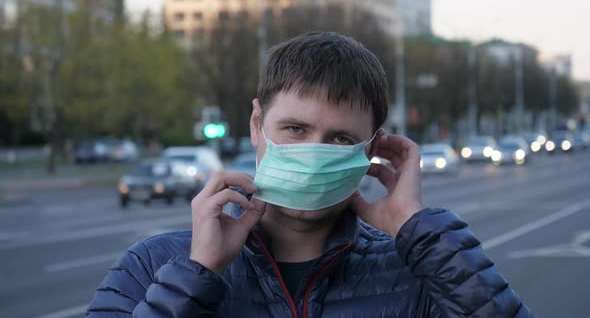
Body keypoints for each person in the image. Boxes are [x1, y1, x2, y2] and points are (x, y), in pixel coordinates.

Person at [87, 32, 533, 317]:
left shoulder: (417, 275)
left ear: (372, 147)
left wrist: (421, 235)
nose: (313, 153)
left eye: (339, 139)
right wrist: (199, 273)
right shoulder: (154, 266)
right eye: (296, 129)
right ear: (257, 125)